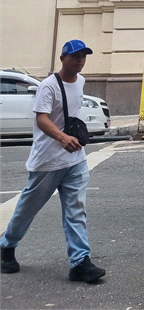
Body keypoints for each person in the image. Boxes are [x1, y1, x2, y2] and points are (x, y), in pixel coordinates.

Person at [0, 40, 106, 283]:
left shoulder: (80, 82)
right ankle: (6, 246)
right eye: (74, 56)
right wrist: (61, 137)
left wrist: (72, 138)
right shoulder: (48, 86)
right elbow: (42, 119)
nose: (80, 60)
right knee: (28, 208)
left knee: (76, 210)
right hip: (48, 161)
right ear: (62, 58)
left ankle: (80, 261)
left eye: (83, 56)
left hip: (75, 159)